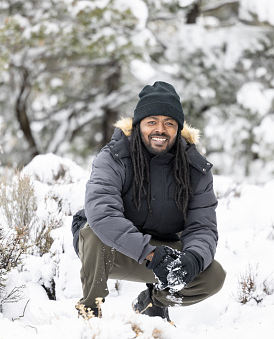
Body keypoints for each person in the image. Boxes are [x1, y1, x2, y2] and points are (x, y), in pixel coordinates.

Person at [72, 81, 226, 321]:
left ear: (178, 128)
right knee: (94, 233)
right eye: (151, 122)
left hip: (163, 249)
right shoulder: (114, 157)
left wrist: (193, 259)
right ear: (138, 125)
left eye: (169, 123)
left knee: (213, 276)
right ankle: (90, 313)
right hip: (111, 249)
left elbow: (203, 227)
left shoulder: (196, 170)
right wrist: (150, 254)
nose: (160, 130)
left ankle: (153, 302)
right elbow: (103, 215)